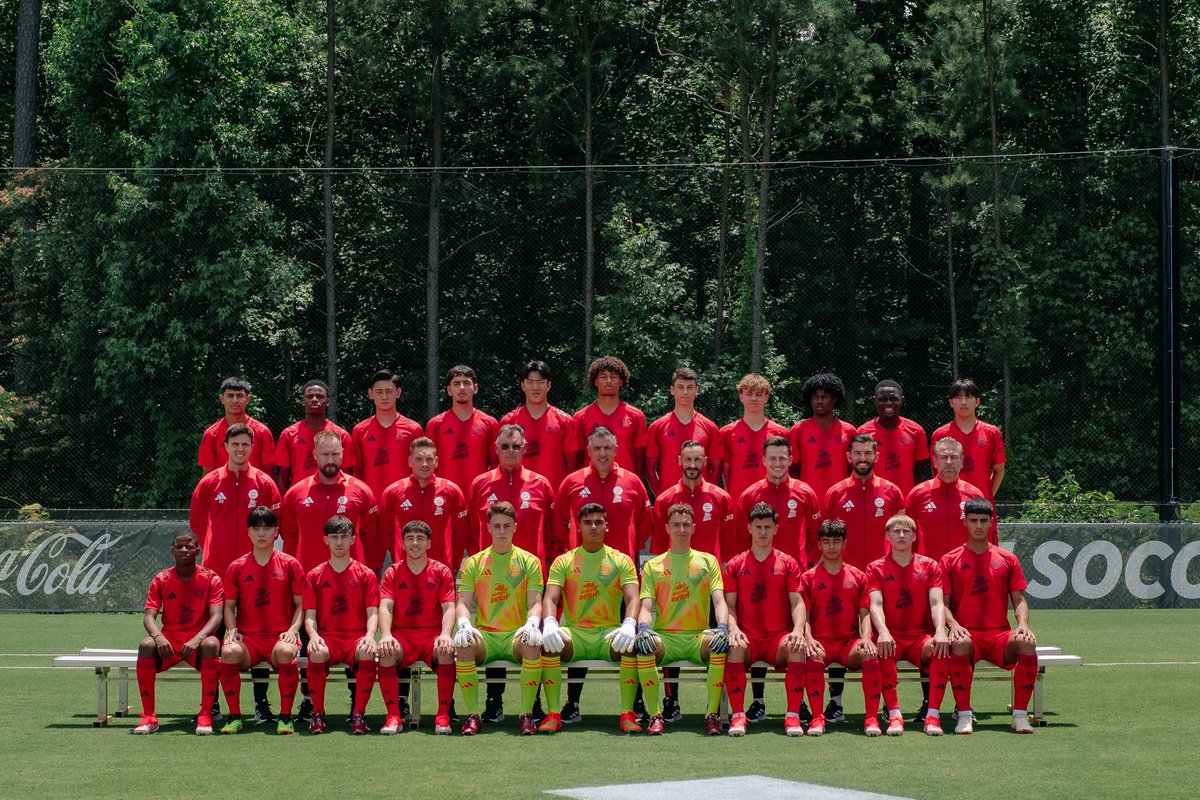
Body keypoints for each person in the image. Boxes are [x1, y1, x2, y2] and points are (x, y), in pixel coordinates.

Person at [538, 503, 641, 733]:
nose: (593, 527)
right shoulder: (564, 561)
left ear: (607, 526)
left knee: (633, 646)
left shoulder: (621, 560)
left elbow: (633, 599)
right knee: (548, 644)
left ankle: (627, 713)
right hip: (576, 634)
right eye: (587, 523)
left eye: (598, 522)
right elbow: (550, 599)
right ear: (578, 527)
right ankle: (554, 714)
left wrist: (629, 624)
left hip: (609, 633)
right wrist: (551, 623)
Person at [941, 498, 1039, 734]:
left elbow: (1019, 600)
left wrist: (1023, 625)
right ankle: (964, 714)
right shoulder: (949, 559)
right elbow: (941, 605)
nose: (978, 525)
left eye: (983, 521)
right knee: (960, 642)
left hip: (999, 636)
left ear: (991, 523)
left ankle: (1019, 715)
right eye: (973, 520)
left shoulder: (1007, 559)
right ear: (964, 522)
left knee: (1027, 642)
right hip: (967, 634)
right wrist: (952, 624)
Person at [634, 503, 730, 736]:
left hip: (698, 637)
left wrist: (723, 627)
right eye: (676, 525)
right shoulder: (653, 566)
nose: (681, 529)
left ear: (694, 528)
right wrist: (644, 626)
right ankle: (656, 715)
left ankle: (712, 715)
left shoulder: (708, 561)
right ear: (667, 528)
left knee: (718, 647)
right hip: (666, 638)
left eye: (686, 525)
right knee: (645, 649)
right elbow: (646, 605)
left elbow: (719, 601)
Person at [450, 502, 546, 735]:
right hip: (487, 636)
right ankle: (473, 715)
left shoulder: (529, 561)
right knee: (463, 646)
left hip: (515, 635)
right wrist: (464, 624)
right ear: (488, 528)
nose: (502, 531)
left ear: (515, 527)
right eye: (497, 526)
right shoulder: (474, 562)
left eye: (506, 526)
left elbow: (535, 603)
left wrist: (532, 623)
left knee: (533, 644)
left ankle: (526, 715)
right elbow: (462, 603)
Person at [722, 502, 809, 736]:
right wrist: (734, 628)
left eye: (767, 527)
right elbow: (728, 606)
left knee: (796, 648)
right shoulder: (735, 564)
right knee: (734, 646)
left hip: (777, 638)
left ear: (775, 529)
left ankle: (792, 717)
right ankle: (738, 716)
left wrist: (798, 630)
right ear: (749, 528)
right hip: (748, 636)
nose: (762, 532)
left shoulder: (788, 563)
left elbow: (797, 602)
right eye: (758, 527)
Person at [218, 507, 305, 735]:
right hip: (249, 640)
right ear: (248, 532)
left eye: (267, 528)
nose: (262, 534)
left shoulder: (290, 564)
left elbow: (301, 605)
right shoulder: (236, 567)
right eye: (256, 529)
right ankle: (235, 716)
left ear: (276, 532)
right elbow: (228, 606)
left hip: (278, 638)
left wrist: (293, 630)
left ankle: (285, 717)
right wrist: (231, 629)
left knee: (287, 651)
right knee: (227, 652)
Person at [866, 513, 951, 736]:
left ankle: (933, 715)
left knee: (939, 648)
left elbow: (936, 602)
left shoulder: (930, 566)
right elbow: (875, 604)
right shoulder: (875, 568)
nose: (901, 535)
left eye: (906, 531)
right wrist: (883, 632)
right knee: (881, 648)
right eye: (896, 531)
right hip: (891, 635)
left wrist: (941, 630)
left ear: (914, 535)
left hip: (919, 637)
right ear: (887, 536)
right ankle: (894, 715)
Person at [132, 531, 223, 735]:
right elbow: (149, 616)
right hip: (170, 638)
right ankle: (149, 716)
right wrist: (158, 636)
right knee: (146, 644)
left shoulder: (211, 578)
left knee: (211, 645)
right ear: (172, 550)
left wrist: (197, 639)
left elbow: (217, 616)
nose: (184, 550)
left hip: (199, 639)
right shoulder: (161, 578)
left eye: (189, 546)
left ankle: (206, 714)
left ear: (197, 551)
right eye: (179, 546)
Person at [800, 519, 884, 736]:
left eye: (836, 542)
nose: (831, 547)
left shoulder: (858, 576)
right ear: (819, 544)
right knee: (812, 656)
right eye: (826, 542)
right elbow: (804, 616)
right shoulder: (808, 578)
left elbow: (864, 613)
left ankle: (871, 718)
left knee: (870, 655)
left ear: (844, 544)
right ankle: (817, 718)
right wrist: (808, 639)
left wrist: (866, 638)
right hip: (821, 641)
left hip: (849, 642)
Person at [302, 515, 381, 734]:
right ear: (325, 540)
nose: (339, 543)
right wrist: (314, 636)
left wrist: (370, 635)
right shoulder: (315, 575)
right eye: (334, 537)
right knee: (317, 653)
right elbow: (310, 615)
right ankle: (317, 713)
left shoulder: (365, 574)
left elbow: (373, 612)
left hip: (355, 637)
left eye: (344, 537)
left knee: (367, 651)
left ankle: (358, 714)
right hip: (328, 636)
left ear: (353, 540)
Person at [377, 520, 457, 735]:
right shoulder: (393, 572)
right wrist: (385, 635)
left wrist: (446, 634)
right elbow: (385, 606)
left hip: (432, 635)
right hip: (403, 635)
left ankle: (442, 716)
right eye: (410, 539)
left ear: (429, 543)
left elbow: (449, 607)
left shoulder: (441, 571)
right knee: (386, 651)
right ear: (402, 543)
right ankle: (393, 716)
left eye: (420, 539)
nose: (415, 543)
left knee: (446, 650)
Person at [190, 423, 282, 583]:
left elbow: (275, 522)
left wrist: (260, 549)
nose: (240, 449)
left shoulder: (265, 483)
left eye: (245, 444)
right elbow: (198, 523)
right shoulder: (209, 483)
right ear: (226, 446)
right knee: (218, 609)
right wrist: (217, 547)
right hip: (216, 566)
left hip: (255, 565)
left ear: (252, 447)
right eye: (235, 444)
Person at [279, 430, 381, 572]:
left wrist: (372, 578)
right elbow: (290, 541)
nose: (330, 461)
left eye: (335, 454)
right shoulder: (295, 494)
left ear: (343, 453)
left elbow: (371, 543)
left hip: (352, 581)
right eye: (325, 455)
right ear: (315, 455)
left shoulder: (362, 491)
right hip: (308, 580)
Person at [553, 426, 653, 565]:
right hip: (581, 566)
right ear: (589, 451)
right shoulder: (572, 481)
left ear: (616, 450)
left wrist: (629, 548)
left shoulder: (632, 481)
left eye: (607, 448)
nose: (602, 454)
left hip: (621, 566)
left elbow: (645, 524)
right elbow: (559, 522)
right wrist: (572, 547)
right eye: (597, 448)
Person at [378, 436, 469, 573]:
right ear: (410, 461)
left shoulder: (451, 491)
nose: (424, 464)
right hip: (404, 571)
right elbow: (386, 534)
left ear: (436, 462)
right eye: (419, 459)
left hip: (442, 570)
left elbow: (460, 534)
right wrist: (399, 558)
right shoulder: (392, 492)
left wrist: (454, 564)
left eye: (429, 459)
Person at [467, 424, 555, 565]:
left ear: (525, 448)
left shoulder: (541, 484)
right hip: (490, 572)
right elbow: (472, 531)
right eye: (505, 447)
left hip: (531, 573)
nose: (510, 451)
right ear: (496, 449)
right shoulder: (479, 484)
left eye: (516, 446)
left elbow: (551, 532)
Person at [929, 379, 1006, 537]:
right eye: (958, 397)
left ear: (977, 401)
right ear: (951, 402)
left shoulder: (992, 433)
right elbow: (936, 472)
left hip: (982, 508)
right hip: (950, 505)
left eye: (968, 397)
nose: (963, 402)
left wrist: (985, 497)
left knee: (984, 555)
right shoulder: (940, 434)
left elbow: (999, 471)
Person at [821, 433, 906, 569]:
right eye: (857, 453)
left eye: (867, 453)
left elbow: (903, 533)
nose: (862, 458)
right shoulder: (835, 493)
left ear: (876, 456)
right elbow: (825, 535)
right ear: (849, 457)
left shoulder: (892, 491)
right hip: (845, 571)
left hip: (884, 569)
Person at [736, 435, 822, 565]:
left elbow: (814, 533)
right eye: (772, 459)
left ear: (790, 460)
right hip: (759, 571)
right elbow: (742, 536)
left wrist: (809, 562)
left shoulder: (805, 493)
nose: (777, 464)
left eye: (782, 458)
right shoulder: (750, 495)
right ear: (764, 460)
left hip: (796, 571)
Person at [500, 360, 580, 490]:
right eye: (530, 382)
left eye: (540, 382)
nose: (535, 387)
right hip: (517, 495)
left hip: (554, 495)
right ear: (522, 385)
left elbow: (571, 466)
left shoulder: (565, 421)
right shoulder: (509, 421)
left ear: (548, 385)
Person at [651, 439, 736, 561]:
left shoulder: (721, 497)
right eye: (688, 459)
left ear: (705, 461)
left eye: (697, 460)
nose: (692, 465)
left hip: (709, 574)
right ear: (680, 460)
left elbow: (728, 544)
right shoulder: (665, 499)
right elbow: (659, 546)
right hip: (676, 574)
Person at [350, 369, 425, 501]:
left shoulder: (414, 429)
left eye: (389, 391)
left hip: (405, 500)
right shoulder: (360, 430)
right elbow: (357, 472)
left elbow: (421, 468)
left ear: (398, 392)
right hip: (371, 501)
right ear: (370, 393)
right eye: (379, 392)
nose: (384, 397)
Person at [907, 437, 987, 559]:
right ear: (935, 461)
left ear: (962, 461)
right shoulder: (918, 494)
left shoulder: (974, 495)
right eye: (944, 457)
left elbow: (982, 538)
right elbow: (907, 535)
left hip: (964, 569)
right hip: (928, 570)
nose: (949, 462)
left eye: (954, 457)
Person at [425, 365, 500, 495]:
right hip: (444, 495)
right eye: (456, 383)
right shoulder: (435, 424)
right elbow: (428, 464)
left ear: (475, 388)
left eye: (466, 383)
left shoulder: (490, 423)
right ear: (449, 390)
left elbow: (496, 466)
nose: (461, 387)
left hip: (480, 494)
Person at [645, 367, 721, 495]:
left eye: (690, 387)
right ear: (672, 390)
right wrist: (661, 494)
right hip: (669, 500)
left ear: (696, 390)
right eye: (680, 387)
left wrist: (706, 494)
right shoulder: (657, 427)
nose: (685, 392)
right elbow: (649, 469)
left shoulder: (709, 427)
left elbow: (717, 468)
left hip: (701, 499)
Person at [717, 373, 788, 506]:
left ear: (766, 397)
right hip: (738, 501)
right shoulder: (727, 432)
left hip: (772, 501)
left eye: (759, 394)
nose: (754, 398)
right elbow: (725, 471)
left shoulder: (780, 432)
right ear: (741, 396)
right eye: (749, 394)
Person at [573, 355, 648, 475]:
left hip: (624, 486)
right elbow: (578, 459)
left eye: (613, 377)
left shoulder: (636, 416)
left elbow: (640, 461)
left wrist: (633, 482)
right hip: (591, 485)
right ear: (596, 381)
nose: (608, 381)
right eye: (603, 377)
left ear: (621, 381)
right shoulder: (580, 417)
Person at [274, 380, 355, 491]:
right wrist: (282, 505)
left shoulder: (341, 435)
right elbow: (282, 475)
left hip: (334, 498)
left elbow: (347, 475)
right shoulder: (288, 434)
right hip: (300, 498)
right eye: (310, 396)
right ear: (303, 401)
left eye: (320, 396)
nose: (314, 399)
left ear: (328, 401)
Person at [789, 373, 856, 500]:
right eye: (815, 397)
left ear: (834, 399)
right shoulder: (798, 430)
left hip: (841, 498)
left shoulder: (849, 431)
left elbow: (853, 469)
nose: (819, 401)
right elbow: (792, 471)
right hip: (808, 499)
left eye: (824, 397)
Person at [856, 380, 929, 496]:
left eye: (894, 399)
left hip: (907, 498)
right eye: (882, 399)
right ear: (874, 401)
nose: (888, 403)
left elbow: (919, 469)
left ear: (902, 400)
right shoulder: (863, 432)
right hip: (874, 498)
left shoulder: (916, 431)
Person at [197, 377, 275, 475]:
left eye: (239, 396)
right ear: (222, 398)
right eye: (230, 396)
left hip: (254, 489)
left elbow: (269, 473)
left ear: (247, 398)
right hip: (223, 489)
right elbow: (208, 476)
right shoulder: (211, 434)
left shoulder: (262, 432)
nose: (235, 400)